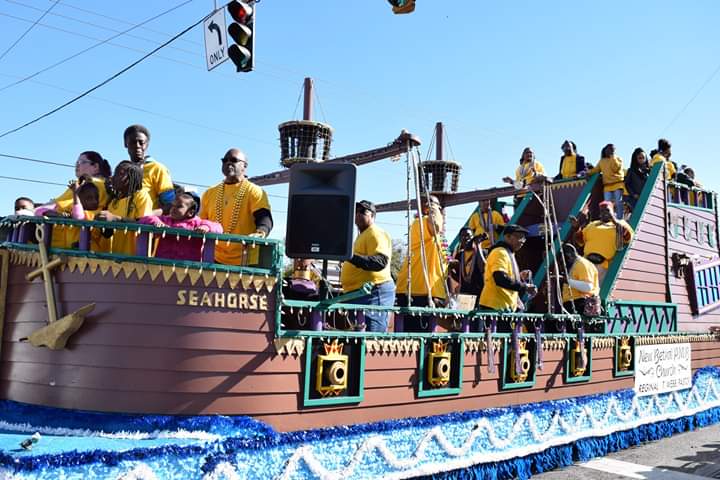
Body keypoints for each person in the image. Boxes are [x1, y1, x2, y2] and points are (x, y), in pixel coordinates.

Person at [199, 148, 273, 265]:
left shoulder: (254, 191)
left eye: (233, 160)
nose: (228, 163)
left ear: (244, 166)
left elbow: (264, 218)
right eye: (225, 160)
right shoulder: (209, 193)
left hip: (246, 259)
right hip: (213, 258)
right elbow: (201, 222)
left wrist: (261, 232)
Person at [340, 200, 395, 332]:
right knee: (358, 339)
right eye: (356, 211)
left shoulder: (375, 232)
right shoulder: (363, 235)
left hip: (374, 293)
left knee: (371, 338)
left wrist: (350, 256)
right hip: (359, 294)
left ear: (372, 216)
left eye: (363, 211)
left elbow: (379, 262)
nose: (358, 214)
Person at [395, 195, 447, 331]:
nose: (438, 210)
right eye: (436, 207)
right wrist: (433, 207)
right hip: (418, 292)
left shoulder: (437, 236)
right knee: (415, 339)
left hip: (428, 291)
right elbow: (435, 225)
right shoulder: (422, 222)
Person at [139, 193, 222, 261]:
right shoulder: (166, 220)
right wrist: (156, 222)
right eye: (173, 205)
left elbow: (219, 227)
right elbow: (144, 219)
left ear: (190, 212)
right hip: (162, 264)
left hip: (188, 268)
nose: (173, 209)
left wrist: (206, 227)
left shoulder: (197, 223)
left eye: (179, 206)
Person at [95, 161, 153, 255]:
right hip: (116, 257)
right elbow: (108, 234)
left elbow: (145, 224)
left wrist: (115, 219)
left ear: (131, 179)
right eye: (114, 173)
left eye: (119, 174)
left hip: (135, 258)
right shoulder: (114, 202)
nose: (112, 177)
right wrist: (102, 222)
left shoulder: (141, 195)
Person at [478, 224, 537, 313]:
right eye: (519, 237)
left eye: (524, 238)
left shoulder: (509, 253)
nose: (522, 241)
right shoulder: (500, 252)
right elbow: (500, 278)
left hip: (504, 307)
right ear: (507, 237)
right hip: (494, 307)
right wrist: (525, 287)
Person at [572, 201, 633, 284]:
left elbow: (627, 237)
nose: (604, 213)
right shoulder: (592, 224)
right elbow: (580, 242)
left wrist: (614, 220)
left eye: (607, 210)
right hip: (587, 262)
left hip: (602, 266)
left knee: (595, 292)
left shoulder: (620, 224)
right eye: (602, 211)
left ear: (613, 211)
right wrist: (577, 229)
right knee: (580, 289)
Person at [36, 177, 102, 249]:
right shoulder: (67, 205)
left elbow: (78, 216)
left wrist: (75, 194)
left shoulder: (97, 213)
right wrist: (56, 214)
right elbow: (38, 211)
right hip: (59, 252)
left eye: (97, 198)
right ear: (80, 198)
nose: (94, 201)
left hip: (85, 255)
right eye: (89, 198)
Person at [123, 124, 175, 212]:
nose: (137, 146)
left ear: (147, 144)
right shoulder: (122, 170)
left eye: (141, 142)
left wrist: (148, 215)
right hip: (121, 224)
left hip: (145, 224)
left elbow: (170, 204)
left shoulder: (157, 169)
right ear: (125, 144)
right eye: (133, 142)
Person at [560, 243, 599, 314]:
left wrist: (567, 281)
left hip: (581, 303)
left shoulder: (582, 264)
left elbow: (588, 286)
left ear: (569, 255)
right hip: (574, 302)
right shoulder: (576, 264)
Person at [587, 143, 625, 216]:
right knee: (607, 204)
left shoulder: (618, 159)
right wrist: (588, 172)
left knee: (618, 202)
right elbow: (596, 170)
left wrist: (612, 156)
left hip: (617, 184)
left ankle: (620, 218)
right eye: (609, 149)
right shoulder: (602, 161)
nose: (611, 151)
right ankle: (609, 218)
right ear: (605, 150)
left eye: (613, 149)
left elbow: (615, 168)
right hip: (607, 186)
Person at [448, 227, 484, 300]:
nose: (466, 238)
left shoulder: (482, 252)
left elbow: (483, 268)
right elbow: (460, 277)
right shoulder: (459, 255)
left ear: (473, 237)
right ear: (460, 239)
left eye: (468, 235)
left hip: (479, 294)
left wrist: (478, 245)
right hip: (464, 294)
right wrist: (450, 271)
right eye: (463, 236)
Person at [624, 147, 650, 212]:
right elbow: (627, 184)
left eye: (643, 158)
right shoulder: (631, 171)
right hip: (635, 199)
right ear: (636, 159)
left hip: (647, 198)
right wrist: (633, 194)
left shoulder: (650, 171)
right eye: (639, 158)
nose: (642, 160)